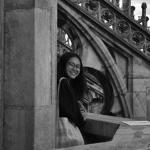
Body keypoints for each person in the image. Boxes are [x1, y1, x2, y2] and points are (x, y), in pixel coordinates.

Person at [57, 52, 87, 148]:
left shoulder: (59, 80)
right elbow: (70, 113)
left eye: (78, 66)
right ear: (63, 64)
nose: (75, 69)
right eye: (71, 64)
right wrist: (81, 115)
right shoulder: (63, 82)